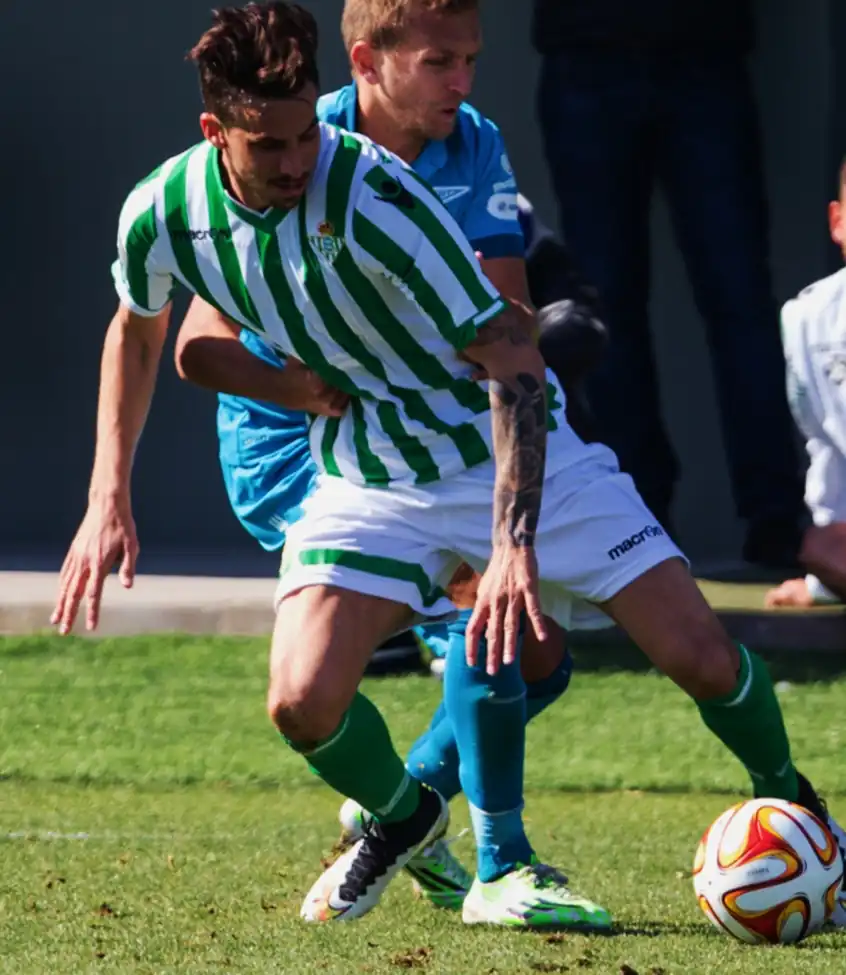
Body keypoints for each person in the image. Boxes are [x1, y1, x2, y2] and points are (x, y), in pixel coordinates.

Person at [60, 0, 846, 930]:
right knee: (300, 703)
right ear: (213, 132)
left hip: (501, 447)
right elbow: (142, 331)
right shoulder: (163, 209)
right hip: (370, 472)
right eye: (270, 145)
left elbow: (514, 355)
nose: (298, 161)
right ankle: (410, 817)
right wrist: (107, 495)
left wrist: (510, 543)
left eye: (307, 134)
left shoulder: (378, 199)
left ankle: (798, 812)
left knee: (701, 658)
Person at [53, 0, 607, 930]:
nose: (461, 80)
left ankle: (397, 813)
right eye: (438, 60)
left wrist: (501, 371)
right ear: (370, 60)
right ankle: (497, 860)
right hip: (295, 441)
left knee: (538, 658)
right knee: (479, 622)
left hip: (406, 428)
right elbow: (182, 343)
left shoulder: (471, 144)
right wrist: (113, 490)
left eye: (470, 58)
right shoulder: (262, 170)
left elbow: (502, 318)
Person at [533, 0, 807, 566]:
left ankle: (776, 521)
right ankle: (639, 518)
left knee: (739, 298)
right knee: (604, 311)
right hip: (587, 50)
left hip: (703, 49)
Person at [766, 161, 846, 609]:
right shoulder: (807, 319)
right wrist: (823, 584)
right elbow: (827, 449)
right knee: (824, 545)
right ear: (838, 223)